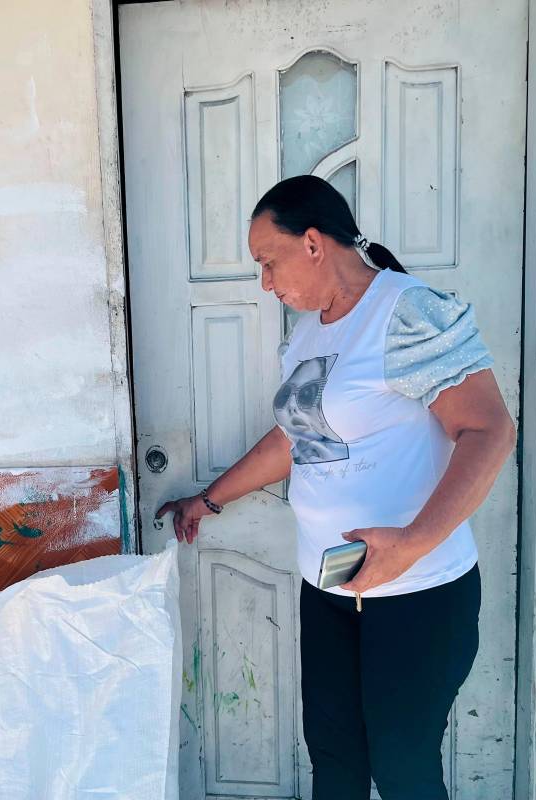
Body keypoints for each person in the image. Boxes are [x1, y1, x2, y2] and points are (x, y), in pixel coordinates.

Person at [155, 175, 516, 800]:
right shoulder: (309, 335)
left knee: (403, 768)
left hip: (417, 591)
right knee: (335, 760)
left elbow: (488, 430)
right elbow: (294, 440)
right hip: (328, 584)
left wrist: (411, 543)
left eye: (269, 262)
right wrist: (209, 498)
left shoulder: (406, 311)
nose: (266, 283)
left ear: (315, 244)